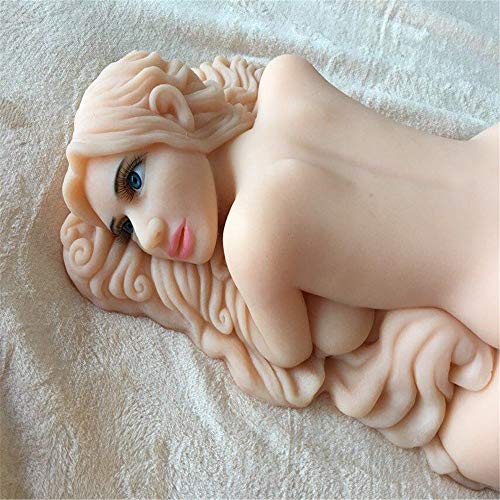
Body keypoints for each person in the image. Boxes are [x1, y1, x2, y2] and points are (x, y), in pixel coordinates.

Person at [62, 50, 499, 489]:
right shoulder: (285, 77)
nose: (149, 237)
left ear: (173, 111)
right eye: (126, 229)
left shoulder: (250, 238)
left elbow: (294, 351)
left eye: (135, 181)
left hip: (485, 279)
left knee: (468, 446)